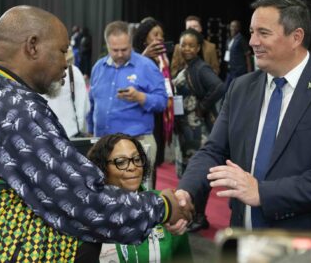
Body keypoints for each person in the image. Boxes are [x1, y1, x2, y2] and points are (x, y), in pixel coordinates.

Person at [0, 6, 193, 262]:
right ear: (32, 46)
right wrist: (163, 206)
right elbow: (83, 203)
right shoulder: (14, 108)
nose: (66, 62)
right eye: (61, 50)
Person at [174, 0, 311, 230]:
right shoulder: (240, 88)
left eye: (263, 33)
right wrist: (186, 192)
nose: (252, 41)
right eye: (251, 32)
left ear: (296, 37)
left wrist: (263, 192)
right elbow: (214, 150)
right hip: (245, 238)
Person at [87, 20, 168, 190]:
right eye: (114, 50)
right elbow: (93, 103)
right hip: (103, 144)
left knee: (139, 195)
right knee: (104, 192)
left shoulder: (146, 66)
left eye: (124, 49)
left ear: (130, 43)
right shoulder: (98, 67)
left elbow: (162, 102)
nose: (119, 54)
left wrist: (140, 97)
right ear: (107, 45)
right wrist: (89, 130)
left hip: (137, 142)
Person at [87, 133, 192, 263]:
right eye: (121, 162)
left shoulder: (166, 204)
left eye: (137, 159)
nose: (132, 167)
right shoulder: (90, 212)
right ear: (102, 168)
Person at [172, 28, 225, 232]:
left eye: (191, 45)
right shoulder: (186, 66)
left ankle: (200, 216)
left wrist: (202, 106)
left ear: (198, 48)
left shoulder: (201, 67)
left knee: (198, 173)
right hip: (185, 129)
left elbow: (219, 87)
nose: (186, 48)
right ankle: (194, 214)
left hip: (197, 130)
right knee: (188, 173)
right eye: (183, 44)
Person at [132, 18, 174, 177]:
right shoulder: (135, 57)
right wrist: (144, 57)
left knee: (153, 163)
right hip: (143, 117)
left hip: (160, 114)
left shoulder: (163, 60)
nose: (160, 38)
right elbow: (131, 79)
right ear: (144, 38)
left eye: (161, 35)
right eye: (155, 34)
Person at [44, 48, 90, 138]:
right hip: (70, 135)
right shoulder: (74, 72)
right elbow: (84, 107)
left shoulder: (35, 73)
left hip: (46, 136)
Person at [224, 20, 251, 90]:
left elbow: (247, 55)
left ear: (239, 28)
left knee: (237, 90)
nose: (233, 28)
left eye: (235, 26)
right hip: (230, 70)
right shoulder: (229, 40)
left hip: (239, 71)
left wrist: (249, 73)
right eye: (231, 26)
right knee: (225, 89)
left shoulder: (241, 39)